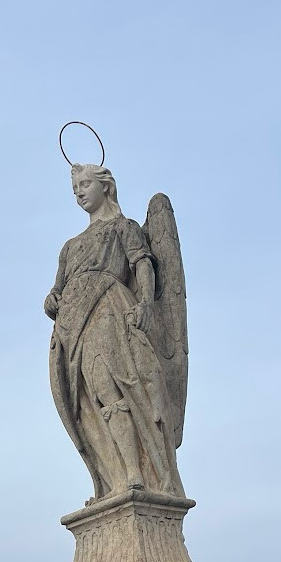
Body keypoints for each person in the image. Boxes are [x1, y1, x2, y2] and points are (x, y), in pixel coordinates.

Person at [45, 164, 185, 500]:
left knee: (111, 385)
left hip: (109, 311)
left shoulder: (123, 228)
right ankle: (114, 477)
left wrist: (147, 304)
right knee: (89, 398)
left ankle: (136, 474)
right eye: (75, 187)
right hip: (73, 325)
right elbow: (57, 291)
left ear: (105, 187)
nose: (79, 192)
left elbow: (142, 263)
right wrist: (52, 300)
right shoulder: (70, 246)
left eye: (85, 184)